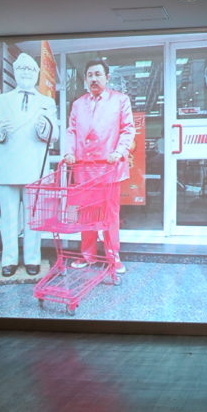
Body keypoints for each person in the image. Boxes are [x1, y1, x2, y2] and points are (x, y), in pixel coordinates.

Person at [63, 59, 135, 273]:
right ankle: (87, 255)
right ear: (85, 79)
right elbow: (72, 131)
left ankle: (113, 256)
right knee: (86, 213)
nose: (94, 79)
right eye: (90, 75)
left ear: (107, 78)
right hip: (84, 168)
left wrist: (119, 152)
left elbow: (128, 129)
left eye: (98, 74)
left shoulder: (120, 100)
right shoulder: (78, 104)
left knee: (110, 215)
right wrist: (69, 152)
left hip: (109, 168)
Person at [0, 53, 58, 277]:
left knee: (32, 220)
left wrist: (43, 128)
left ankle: (32, 259)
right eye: (22, 69)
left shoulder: (46, 102)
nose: (26, 73)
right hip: (8, 169)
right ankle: (8, 260)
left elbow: (54, 135)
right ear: (16, 73)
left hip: (34, 169)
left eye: (30, 69)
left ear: (37, 73)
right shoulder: (3, 100)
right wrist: (1, 129)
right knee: (8, 218)